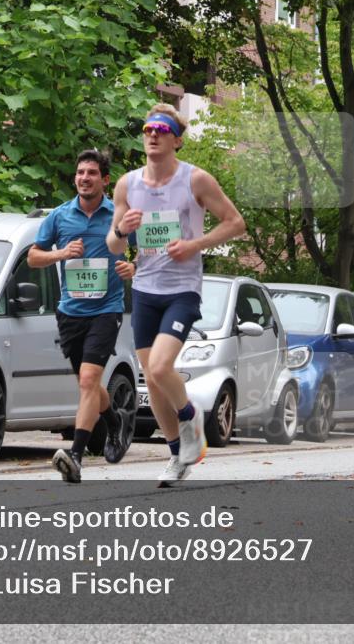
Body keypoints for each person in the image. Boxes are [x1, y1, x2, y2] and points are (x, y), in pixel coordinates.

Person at [107, 104, 245, 487]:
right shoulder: (127, 184)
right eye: (147, 128)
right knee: (151, 381)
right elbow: (114, 247)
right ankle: (177, 456)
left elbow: (236, 223)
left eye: (161, 129)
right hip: (145, 289)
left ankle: (190, 419)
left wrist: (194, 244)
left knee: (161, 367)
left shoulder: (196, 180)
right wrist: (121, 230)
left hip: (182, 289)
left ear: (176, 140)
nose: (152, 134)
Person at [29, 149, 137, 483]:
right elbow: (33, 258)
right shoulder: (60, 217)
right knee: (88, 383)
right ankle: (116, 420)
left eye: (91, 173)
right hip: (70, 313)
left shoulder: (119, 216)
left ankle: (75, 455)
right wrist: (61, 253)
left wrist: (134, 267)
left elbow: (149, 251)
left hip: (106, 310)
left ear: (105, 180)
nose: (84, 178)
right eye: (80, 173)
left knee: (89, 381)